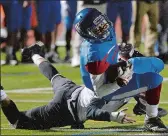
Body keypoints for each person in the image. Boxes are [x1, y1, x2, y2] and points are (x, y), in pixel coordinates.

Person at [1, 42, 136, 130]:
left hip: (71, 89)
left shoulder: (104, 72)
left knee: (54, 76)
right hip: (65, 108)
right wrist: (115, 116)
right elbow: (90, 111)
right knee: (19, 121)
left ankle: (34, 53)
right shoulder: (109, 86)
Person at [74, 8, 168, 132]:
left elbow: (109, 51)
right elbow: (99, 92)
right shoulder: (93, 56)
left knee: (156, 64)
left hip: (114, 74)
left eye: (102, 23)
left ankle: (142, 101)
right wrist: (119, 82)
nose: (103, 28)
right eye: (97, 28)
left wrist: (121, 52)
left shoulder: (106, 33)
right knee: (154, 77)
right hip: (107, 93)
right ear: (88, 34)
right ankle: (151, 119)